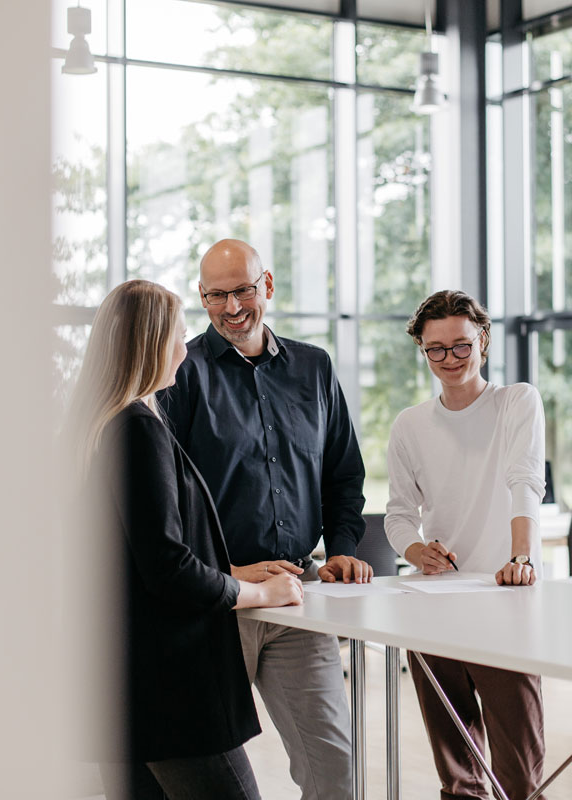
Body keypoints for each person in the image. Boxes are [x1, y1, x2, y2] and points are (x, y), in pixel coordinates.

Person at [66, 279, 304, 800]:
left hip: (125, 686)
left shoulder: (103, 426)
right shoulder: (137, 428)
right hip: (173, 687)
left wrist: (234, 573)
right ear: (154, 344)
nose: (186, 345)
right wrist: (262, 594)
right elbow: (167, 566)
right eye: (179, 331)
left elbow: (134, 556)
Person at [159, 239, 371, 800]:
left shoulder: (314, 367)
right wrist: (227, 568)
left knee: (336, 768)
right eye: (216, 295)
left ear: (268, 286)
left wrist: (344, 546)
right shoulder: (180, 372)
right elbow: (164, 498)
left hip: (296, 596)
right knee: (203, 778)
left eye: (243, 290)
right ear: (201, 298)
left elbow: (343, 475)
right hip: (214, 604)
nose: (232, 307)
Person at [384, 290, 547, 800]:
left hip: (505, 601)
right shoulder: (409, 424)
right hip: (434, 604)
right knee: (458, 773)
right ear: (422, 349)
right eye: (436, 350)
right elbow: (398, 515)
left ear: (483, 341)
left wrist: (520, 558)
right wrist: (415, 551)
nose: (450, 360)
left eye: (461, 346)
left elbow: (524, 480)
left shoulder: (516, 402)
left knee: (520, 773)